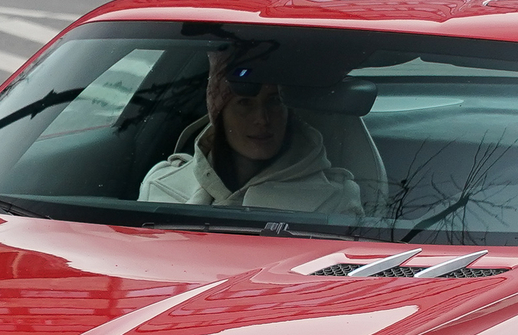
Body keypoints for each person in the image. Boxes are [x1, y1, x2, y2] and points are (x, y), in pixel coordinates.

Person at [139, 49, 361, 214]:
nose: (262, 119)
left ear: (288, 112)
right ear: (219, 113)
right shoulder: (161, 184)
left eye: (274, 102)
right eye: (245, 103)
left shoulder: (336, 198)